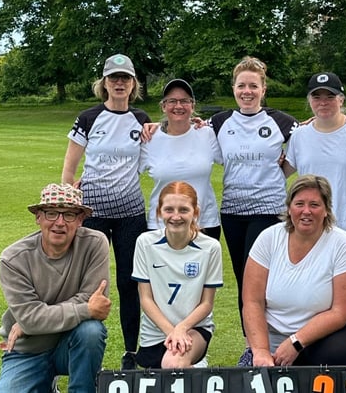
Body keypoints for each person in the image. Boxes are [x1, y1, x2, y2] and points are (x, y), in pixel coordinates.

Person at [61, 53, 151, 369]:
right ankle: (82, 353)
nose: (119, 83)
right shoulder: (88, 117)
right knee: (89, 284)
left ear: (133, 83)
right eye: (114, 78)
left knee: (130, 283)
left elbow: (160, 147)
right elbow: (70, 167)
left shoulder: (141, 119)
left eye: (125, 78)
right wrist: (69, 205)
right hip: (93, 212)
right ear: (104, 83)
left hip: (130, 214)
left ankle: (130, 352)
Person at [208, 56, 299, 366]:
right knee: (244, 279)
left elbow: (305, 146)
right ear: (234, 88)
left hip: (269, 211)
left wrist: (281, 172)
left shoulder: (282, 121)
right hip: (232, 212)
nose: (247, 91)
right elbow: (190, 138)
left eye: (253, 86)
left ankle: (271, 344)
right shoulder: (220, 122)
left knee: (258, 280)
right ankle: (254, 346)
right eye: (241, 85)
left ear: (264, 89)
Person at [242, 174, 346, 367]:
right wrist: (261, 352)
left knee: (339, 354)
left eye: (314, 205)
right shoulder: (268, 239)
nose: (306, 211)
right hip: (275, 335)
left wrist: (296, 342)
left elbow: (342, 312)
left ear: (326, 210)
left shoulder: (343, 245)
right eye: (299, 204)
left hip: (326, 335)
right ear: (289, 207)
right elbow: (252, 301)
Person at [0, 183, 111, 393]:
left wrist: (34, 320)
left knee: (91, 332)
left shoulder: (95, 243)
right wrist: (84, 310)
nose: (59, 222)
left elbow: (95, 299)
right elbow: (32, 318)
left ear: (80, 220)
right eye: (51, 213)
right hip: (28, 350)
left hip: (70, 342)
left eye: (68, 214)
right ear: (38, 217)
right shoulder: (12, 259)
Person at [132, 181, 223, 369]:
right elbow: (146, 299)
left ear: (195, 212)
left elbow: (206, 304)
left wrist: (182, 329)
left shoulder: (210, 247)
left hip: (193, 329)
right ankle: (197, 371)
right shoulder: (145, 243)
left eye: (183, 210)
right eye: (169, 210)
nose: (176, 216)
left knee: (173, 364)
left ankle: (193, 360)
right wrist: (172, 332)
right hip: (156, 332)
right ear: (159, 212)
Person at [283, 71, 346, 252]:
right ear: (309, 100)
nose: (323, 102)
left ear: (341, 100)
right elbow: (281, 173)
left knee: (344, 279)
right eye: (316, 97)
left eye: (330, 96)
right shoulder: (300, 135)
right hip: (312, 224)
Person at [140, 79, 223, 240]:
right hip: (161, 226)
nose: (178, 106)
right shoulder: (149, 139)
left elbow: (234, 159)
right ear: (163, 106)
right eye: (172, 101)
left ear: (192, 106)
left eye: (184, 101)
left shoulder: (206, 134)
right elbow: (127, 169)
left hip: (204, 224)